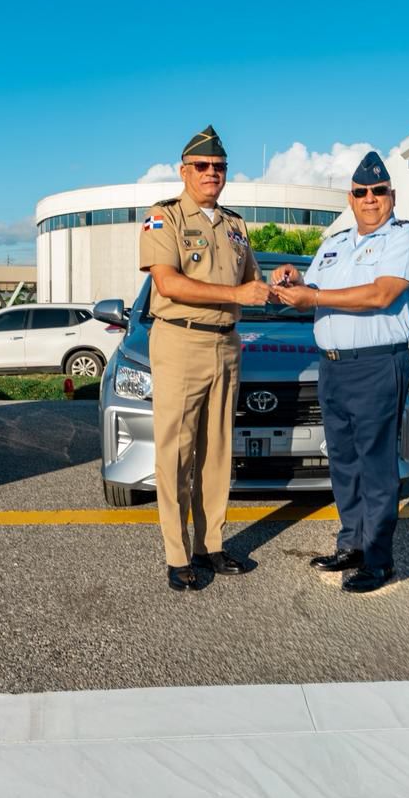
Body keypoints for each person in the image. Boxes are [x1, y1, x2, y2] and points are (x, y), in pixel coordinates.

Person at [272, 151, 409, 593]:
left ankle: (378, 561)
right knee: (343, 462)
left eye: (379, 191)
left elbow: (381, 294)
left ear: (392, 195)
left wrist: (314, 298)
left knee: (376, 465)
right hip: (333, 366)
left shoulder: (404, 239)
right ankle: (352, 544)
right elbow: (314, 288)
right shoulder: (334, 242)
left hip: (377, 364)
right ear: (351, 198)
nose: (370, 198)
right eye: (361, 192)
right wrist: (293, 280)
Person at [139, 125, 272, 591]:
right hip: (181, 341)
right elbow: (168, 283)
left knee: (217, 452)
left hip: (227, 344)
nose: (211, 173)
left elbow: (253, 281)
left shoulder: (235, 225)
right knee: (176, 453)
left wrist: (277, 281)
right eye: (202, 166)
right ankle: (177, 556)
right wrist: (236, 294)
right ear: (184, 171)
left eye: (219, 166)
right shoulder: (165, 217)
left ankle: (210, 545)